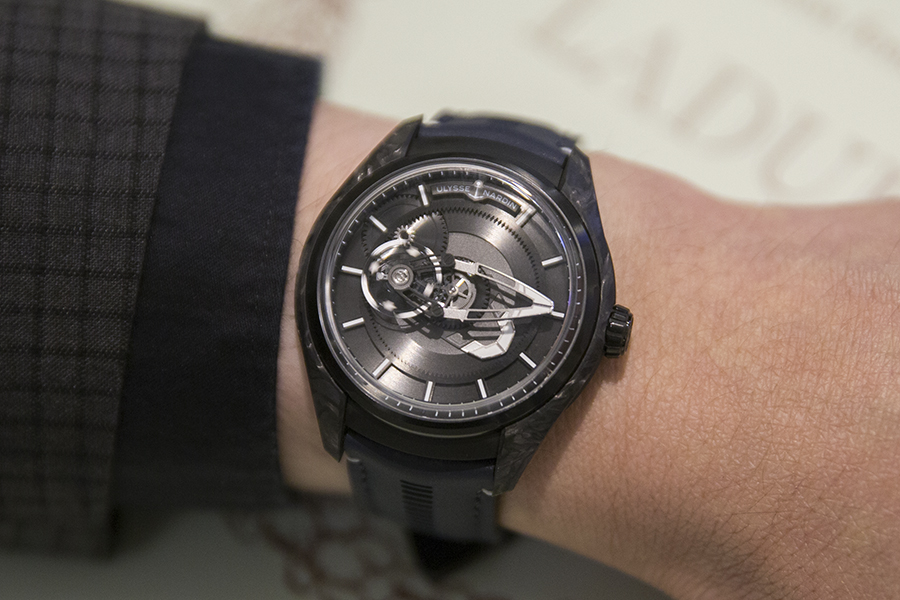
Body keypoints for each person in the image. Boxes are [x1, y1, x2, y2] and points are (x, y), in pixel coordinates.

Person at [2, 1, 898, 598]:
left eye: (422, 275)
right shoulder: (405, 288)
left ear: (606, 330)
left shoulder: (479, 296)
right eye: (412, 282)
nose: (431, 283)